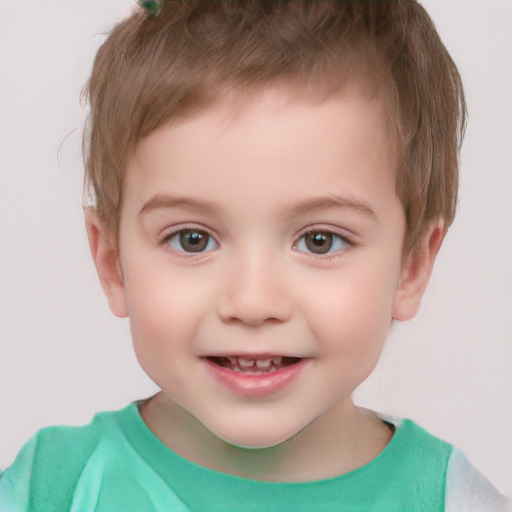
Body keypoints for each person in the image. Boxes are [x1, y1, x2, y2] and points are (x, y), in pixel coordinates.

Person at [1, 0, 510, 510]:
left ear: (411, 267)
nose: (252, 302)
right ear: (113, 263)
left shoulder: (453, 501)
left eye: (320, 240)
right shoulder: (49, 489)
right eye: (192, 239)